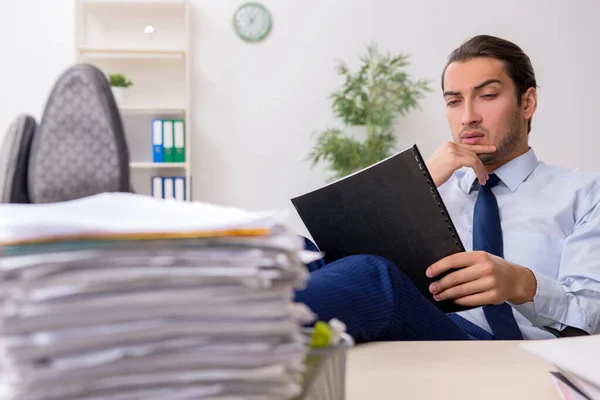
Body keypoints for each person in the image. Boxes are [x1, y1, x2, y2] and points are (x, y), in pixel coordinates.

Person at [295, 34, 600, 342]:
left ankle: (245, 328)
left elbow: (591, 314)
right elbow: (342, 260)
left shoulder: (584, 194)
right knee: (297, 250)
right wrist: (418, 179)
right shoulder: (433, 186)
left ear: (528, 102)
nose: (468, 117)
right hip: (416, 323)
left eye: (488, 95)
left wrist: (519, 284)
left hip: (497, 347)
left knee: (375, 276)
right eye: (454, 102)